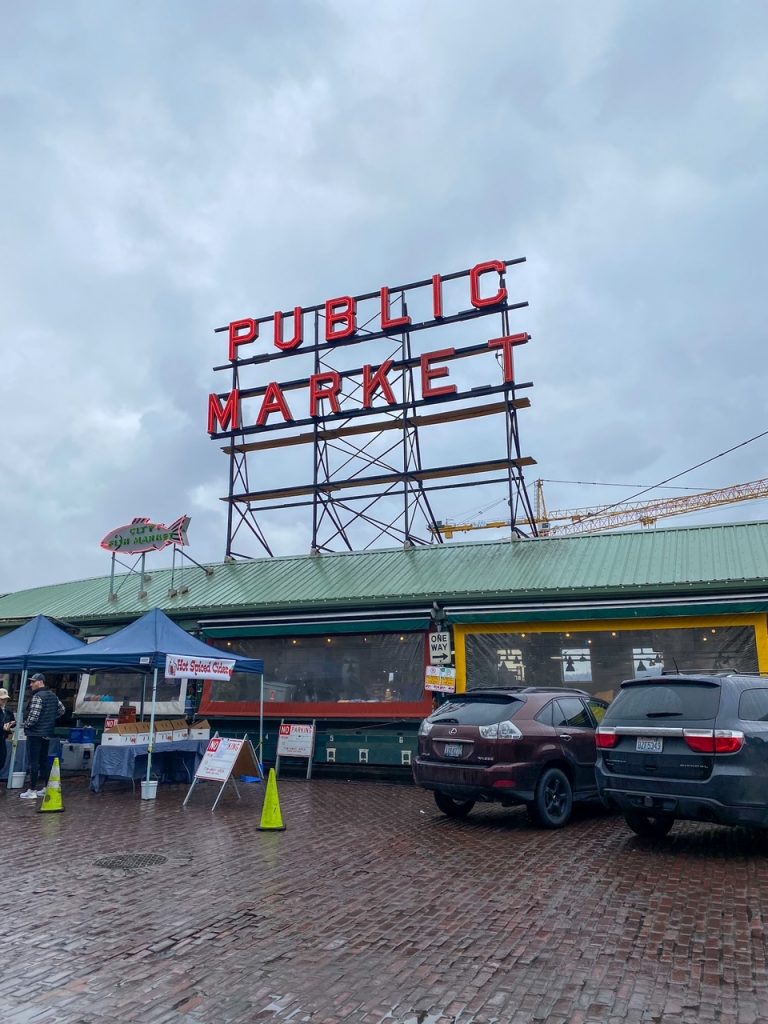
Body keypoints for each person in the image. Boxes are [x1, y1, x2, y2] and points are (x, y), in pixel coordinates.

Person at [19, 673, 65, 800]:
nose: (31, 684)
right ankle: (45, 788)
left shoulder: (37, 697)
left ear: (40, 682)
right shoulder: (53, 696)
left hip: (35, 733)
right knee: (44, 761)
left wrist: (25, 725)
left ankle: (32, 790)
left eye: (33, 682)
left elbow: (33, 717)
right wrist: (49, 719)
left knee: (33, 762)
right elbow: (62, 710)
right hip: (47, 733)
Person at [0, 687, 17, 777]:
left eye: (5, 699)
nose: (4, 701)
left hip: (3, 738)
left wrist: (12, 724)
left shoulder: (8, 710)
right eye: (2, 699)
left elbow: (13, 721)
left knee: (2, 760)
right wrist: (2, 727)